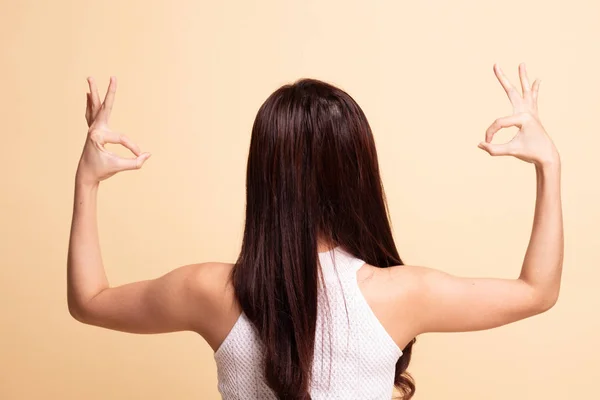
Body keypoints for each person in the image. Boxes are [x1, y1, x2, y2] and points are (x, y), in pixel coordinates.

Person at [67, 63, 563, 400]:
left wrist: (87, 179)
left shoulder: (209, 292)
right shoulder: (402, 293)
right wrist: (549, 166)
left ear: (262, 177)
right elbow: (537, 292)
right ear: (359, 174)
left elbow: (88, 300)